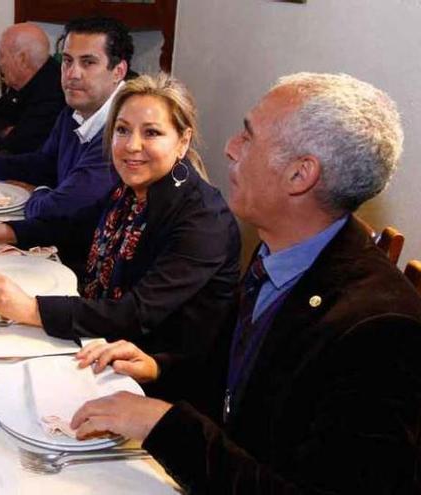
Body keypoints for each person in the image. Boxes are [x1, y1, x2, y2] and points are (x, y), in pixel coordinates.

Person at [69, 73, 421, 493]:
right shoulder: (283, 249)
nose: (230, 147)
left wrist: (164, 426)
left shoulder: (380, 330)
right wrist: (159, 367)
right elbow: (241, 377)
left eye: (249, 137)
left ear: (300, 175)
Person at [0, 74, 241, 365]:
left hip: (154, 369)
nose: (131, 145)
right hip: (100, 334)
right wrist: (0, 231)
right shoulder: (130, 188)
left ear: (183, 141)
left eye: (151, 133)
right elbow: (75, 226)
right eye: (122, 130)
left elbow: (135, 312)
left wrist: (30, 310)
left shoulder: (204, 220)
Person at [0, 17, 135, 220]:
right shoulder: (74, 109)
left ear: (118, 71)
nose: (72, 74)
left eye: (88, 62)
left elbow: (60, 209)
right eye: (68, 61)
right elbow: (44, 163)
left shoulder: (126, 130)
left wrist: (35, 192)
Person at [0, 22, 65, 154]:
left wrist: (10, 136)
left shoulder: (54, 92)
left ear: (22, 59)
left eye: (1, 55)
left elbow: (16, 147)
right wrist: (6, 131)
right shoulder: (23, 83)